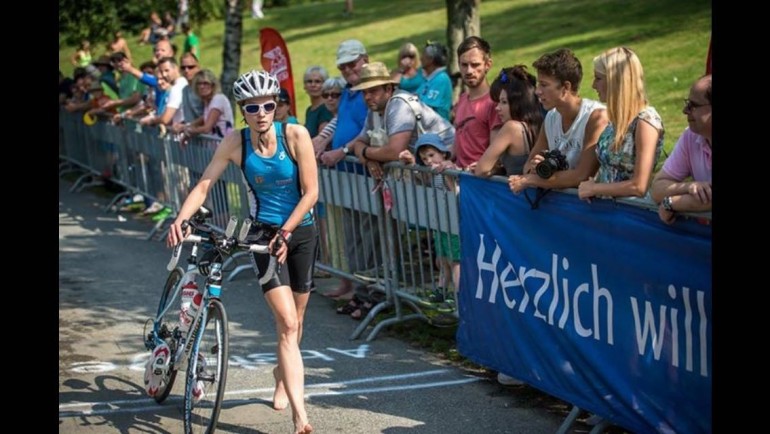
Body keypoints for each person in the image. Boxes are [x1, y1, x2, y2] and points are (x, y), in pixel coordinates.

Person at [167, 70, 317, 434]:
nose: (263, 112)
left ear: (277, 106)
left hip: (300, 232)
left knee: (297, 319)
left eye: (269, 104)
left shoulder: (296, 134)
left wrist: (288, 230)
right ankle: (301, 418)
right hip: (263, 236)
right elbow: (204, 185)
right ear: (242, 110)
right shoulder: (236, 142)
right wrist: (181, 218)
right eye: (253, 107)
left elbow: (311, 192)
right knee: (288, 323)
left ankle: (281, 376)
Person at [508, 48, 608, 194]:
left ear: (565, 87)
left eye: (544, 84)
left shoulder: (595, 117)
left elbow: (582, 175)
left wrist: (532, 179)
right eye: (538, 84)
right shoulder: (551, 116)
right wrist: (536, 166)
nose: (537, 91)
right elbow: (527, 166)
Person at [318, 39, 370, 300]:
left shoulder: (370, 90)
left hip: (366, 174)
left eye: (353, 63)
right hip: (347, 177)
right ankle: (354, 288)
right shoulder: (350, 91)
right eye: (343, 66)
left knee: (369, 236)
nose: (349, 69)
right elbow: (340, 120)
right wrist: (323, 140)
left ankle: (367, 292)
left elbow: (370, 128)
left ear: (365, 60)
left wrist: (343, 151)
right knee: (351, 235)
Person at [577, 47, 664, 202]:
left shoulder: (646, 121)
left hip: (631, 215)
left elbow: (639, 186)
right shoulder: (615, 121)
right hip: (606, 213)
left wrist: (595, 188)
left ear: (616, 81)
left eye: (598, 78)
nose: (593, 86)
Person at [348, 61, 455, 168]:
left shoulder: (400, 106)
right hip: (426, 168)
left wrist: (365, 153)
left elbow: (395, 152)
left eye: (373, 91)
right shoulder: (375, 109)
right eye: (364, 92)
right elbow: (359, 143)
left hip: (448, 162)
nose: (367, 97)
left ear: (388, 89)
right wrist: (369, 161)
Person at [398, 133, 460, 306]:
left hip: (454, 223)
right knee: (442, 258)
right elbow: (420, 176)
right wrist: (411, 163)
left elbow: (455, 188)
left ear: (444, 154)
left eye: (432, 155)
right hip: (440, 222)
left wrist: (448, 169)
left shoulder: (449, 169)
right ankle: (441, 289)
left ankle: (458, 295)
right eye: (425, 158)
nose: (429, 161)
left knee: (455, 260)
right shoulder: (430, 173)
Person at [651, 74, 712, 224]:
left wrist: (672, 203)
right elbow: (657, 188)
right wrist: (689, 187)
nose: (685, 110)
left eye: (693, 105)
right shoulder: (690, 137)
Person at [475, 65, 544, 177]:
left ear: (517, 103)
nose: (497, 108)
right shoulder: (538, 124)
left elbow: (481, 169)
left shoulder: (512, 128)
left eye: (503, 102)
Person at [452, 36, 502, 171]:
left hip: (482, 182)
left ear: (488, 65)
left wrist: (484, 168)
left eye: (475, 65)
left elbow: (497, 155)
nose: (469, 71)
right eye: (464, 65)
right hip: (460, 180)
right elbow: (457, 145)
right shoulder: (462, 99)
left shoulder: (495, 102)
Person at [184, 69, 234, 140]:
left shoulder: (218, 99)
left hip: (224, 145)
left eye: (205, 83)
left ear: (213, 85)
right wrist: (187, 126)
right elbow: (205, 117)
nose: (202, 86)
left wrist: (189, 131)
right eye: (199, 84)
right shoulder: (208, 101)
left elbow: (206, 128)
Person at [414, 41, 453, 120]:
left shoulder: (441, 79)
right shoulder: (429, 79)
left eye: (423, 55)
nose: (420, 58)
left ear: (431, 59)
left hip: (438, 130)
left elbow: (426, 107)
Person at [302, 66, 333, 138]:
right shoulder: (309, 110)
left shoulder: (326, 109)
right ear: (304, 86)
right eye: (309, 81)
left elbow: (322, 139)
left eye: (318, 81)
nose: (313, 85)